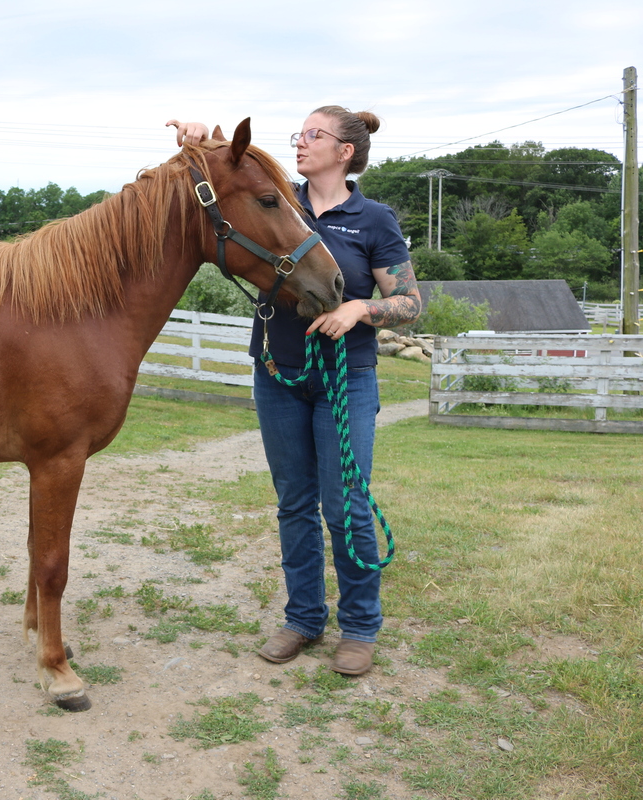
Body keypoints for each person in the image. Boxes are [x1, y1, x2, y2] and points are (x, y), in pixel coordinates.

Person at [166, 108, 421, 676]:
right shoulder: (280, 197)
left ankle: (359, 627)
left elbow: (409, 303)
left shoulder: (374, 219)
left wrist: (360, 308)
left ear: (345, 151)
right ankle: (304, 618)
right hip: (279, 376)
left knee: (347, 507)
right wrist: (202, 145)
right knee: (294, 506)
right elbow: (229, 179)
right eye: (299, 135)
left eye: (314, 135)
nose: (301, 144)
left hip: (345, 379)